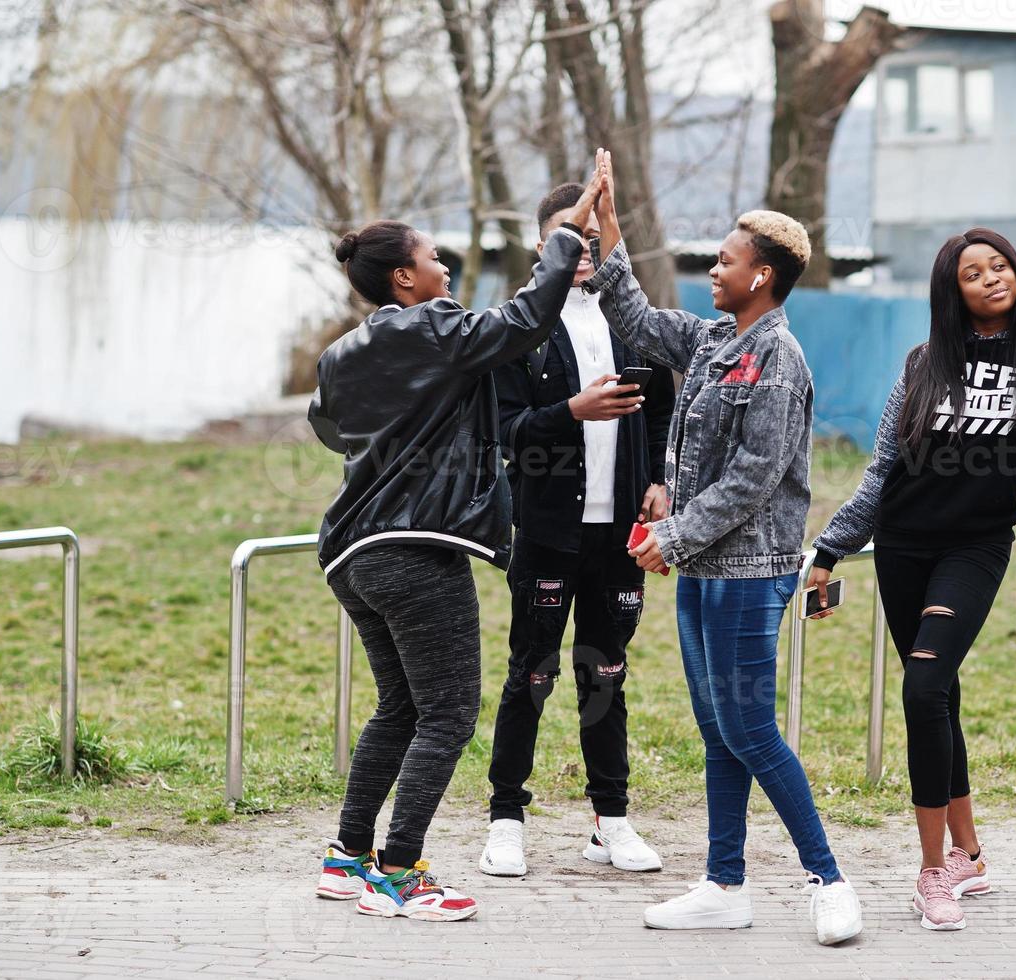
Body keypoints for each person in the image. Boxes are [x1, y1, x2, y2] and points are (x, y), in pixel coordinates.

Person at [305, 155, 607, 923]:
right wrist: (568, 235)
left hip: (350, 553)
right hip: (413, 551)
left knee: (398, 709)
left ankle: (346, 858)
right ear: (404, 279)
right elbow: (523, 320)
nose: (444, 263)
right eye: (432, 256)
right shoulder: (433, 327)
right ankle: (398, 872)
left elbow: (330, 429)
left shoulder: (343, 351)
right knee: (447, 714)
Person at [806, 228, 1016, 931]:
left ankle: (930, 874)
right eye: (971, 272)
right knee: (939, 699)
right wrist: (829, 549)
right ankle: (969, 855)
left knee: (921, 687)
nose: (989, 278)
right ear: (951, 292)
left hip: (974, 549)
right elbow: (882, 470)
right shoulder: (924, 363)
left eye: (998, 265)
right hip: (901, 545)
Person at [582, 156, 861, 946]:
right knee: (717, 730)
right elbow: (634, 319)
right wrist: (607, 221)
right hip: (703, 569)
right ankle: (723, 885)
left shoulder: (778, 358)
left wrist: (670, 534)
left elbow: (753, 476)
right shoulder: (712, 340)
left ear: (762, 275)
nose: (713, 269)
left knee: (749, 729)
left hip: (752, 571)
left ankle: (828, 880)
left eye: (726, 261)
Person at [478, 181, 675, 877]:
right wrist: (571, 410)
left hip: (617, 537)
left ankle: (610, 820)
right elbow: (504, 434)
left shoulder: (630, 321)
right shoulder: (516, 329)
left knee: (604, 676)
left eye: (594, 235)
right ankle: (506, 820)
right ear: (543, 245)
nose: (584, 247)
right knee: (529, 675)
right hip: (545, 532)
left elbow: (658, 412)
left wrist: (658, 480)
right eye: (570, 233)